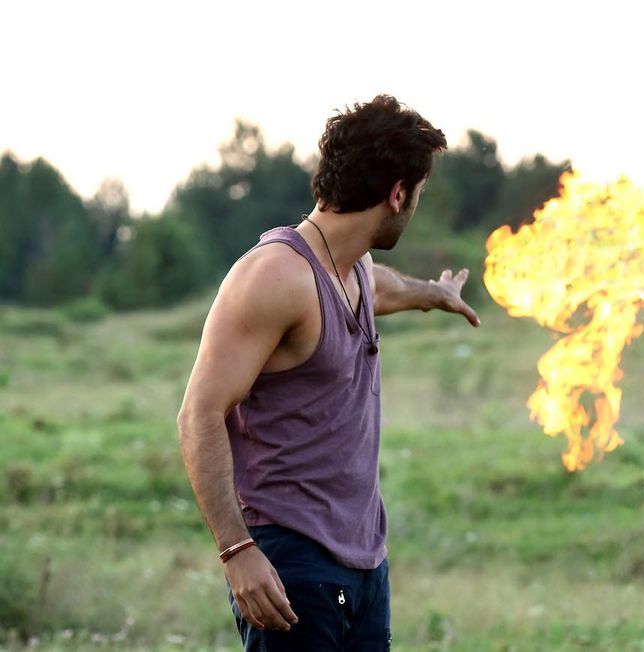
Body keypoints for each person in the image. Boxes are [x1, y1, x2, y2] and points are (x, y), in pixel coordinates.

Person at [177, 95, 479, 651]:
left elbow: (382, 284)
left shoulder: (353, 265)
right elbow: (199, 414)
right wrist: (236, 551)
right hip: (293, 562)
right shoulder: (274, 277)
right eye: (417, 194)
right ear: (397, 194)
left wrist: (434, 294)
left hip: (364, 562)